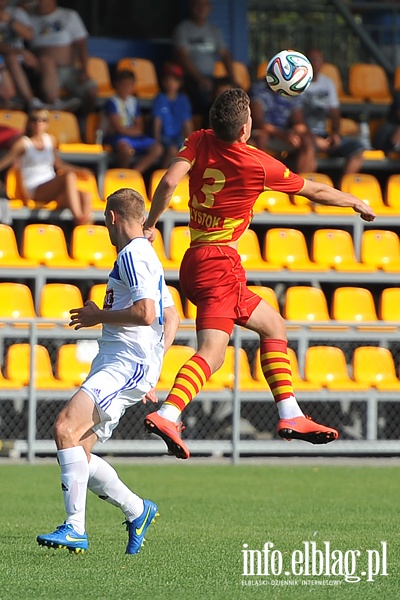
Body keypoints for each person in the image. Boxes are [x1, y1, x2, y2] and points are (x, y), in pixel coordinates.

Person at [142, 88, 376, 460]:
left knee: (273, 325)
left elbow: (170, 182)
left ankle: (291, 415)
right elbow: (312, 189)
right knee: (213, 354)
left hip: (194, 259)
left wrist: (151, 224)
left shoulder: (200, 140)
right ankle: (169, 413)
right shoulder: (258, 164)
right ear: (245, 129)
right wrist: (355, 201)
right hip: (220, 263)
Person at [36, 187, 180, 555]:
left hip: (123, 364)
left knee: (65, 426)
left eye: (104, 218)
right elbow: (171, 314)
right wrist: (152, 363)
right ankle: (137, 509)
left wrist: (98, 316)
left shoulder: (133, 254)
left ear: (112, 218)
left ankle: (74, 528)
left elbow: (147, 314)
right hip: (127, 364)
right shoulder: (148, 255)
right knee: (79, 449)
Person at [0, 109, 92, 224]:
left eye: (43, 120)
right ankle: (78, 217)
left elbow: (59, 164)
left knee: (85, 196)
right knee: (69, 176)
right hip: (34, 187)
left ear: (47, 124)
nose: (39, 123)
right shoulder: (23, 143)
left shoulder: (51, 140)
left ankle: (84, 230)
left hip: (51, 184)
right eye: (35, 120)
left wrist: (80, 170)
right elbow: (4, 162)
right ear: (29, 123)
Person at [299, 49, 365, 176]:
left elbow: (335, 113)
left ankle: (342, 189)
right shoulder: (297, 83)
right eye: (311, 60)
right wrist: (314, 139)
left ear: (323, 63)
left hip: (324, 135)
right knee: (308, 148)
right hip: (305, 135)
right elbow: (296, 118)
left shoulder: (328, 83)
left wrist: (335, 134)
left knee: (358, 148)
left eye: (318, 60)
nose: (314, 63)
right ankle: (302, 192)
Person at [172, 0, 237, 123]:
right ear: (192, 7)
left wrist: (232, 79)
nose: (201, 8)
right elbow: (182, 57)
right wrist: (200, 78)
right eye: (198, 5)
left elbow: (225, 54)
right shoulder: (183, 28)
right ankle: (207, 133)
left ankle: (230, 131)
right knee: (205, 94)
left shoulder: (213, 30)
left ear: (209, 8)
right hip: (190, 78)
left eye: (205, 5)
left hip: (210, 78)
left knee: (231, 91)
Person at [28, 0, 97, 112]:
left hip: (69, 70)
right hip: (44, 70)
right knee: (46, 61)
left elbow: (81, 45)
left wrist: (85, 70)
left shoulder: (69, 15)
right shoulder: (29, 16)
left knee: (90, 89)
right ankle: (55, 106)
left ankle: (84, 122)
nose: (39, 3)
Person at [250, 79, 315, 172]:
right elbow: (258, 122)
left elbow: (298, 122)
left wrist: (294, 132)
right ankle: (262, 178)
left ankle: (303, 182)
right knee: (261, 136)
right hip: (267, 135)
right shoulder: (258, 89)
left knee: (306, 142)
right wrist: (283, 135)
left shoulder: (292, 91)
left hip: (286, 135)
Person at [103, 69, 163, 172]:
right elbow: (119, 128)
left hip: (133, 136)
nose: (127, 88)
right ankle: (124, 172)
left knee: (157, 148)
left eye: (130, 85)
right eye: (124, 84)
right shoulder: (112, 102)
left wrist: (134, 131)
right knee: (126, 150)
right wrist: (134, 131)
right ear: (117, 85)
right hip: (117, 137)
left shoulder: (134, 102)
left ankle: (135, 172)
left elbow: (139, 126)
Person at [0, 0, 42, 110]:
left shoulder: (16, 12)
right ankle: (30, 101)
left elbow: (29, 35)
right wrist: (20, 51)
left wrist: (10, 20)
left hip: (23, 64)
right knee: (9, 59)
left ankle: (37, 102)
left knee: (47, 60)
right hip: (4, 63)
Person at [152, 62, 193, 168]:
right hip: (163, 137)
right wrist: (156, 140)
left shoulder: (183, 100)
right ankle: (162, 176)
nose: (170, 84)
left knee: (183, 150)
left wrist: (191, 143)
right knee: (172, 150)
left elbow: (187, 123)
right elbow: (157, 121)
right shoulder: (160, 98)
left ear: (179, 83)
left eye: (174, 81)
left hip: (177, 138)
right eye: (168, 80)